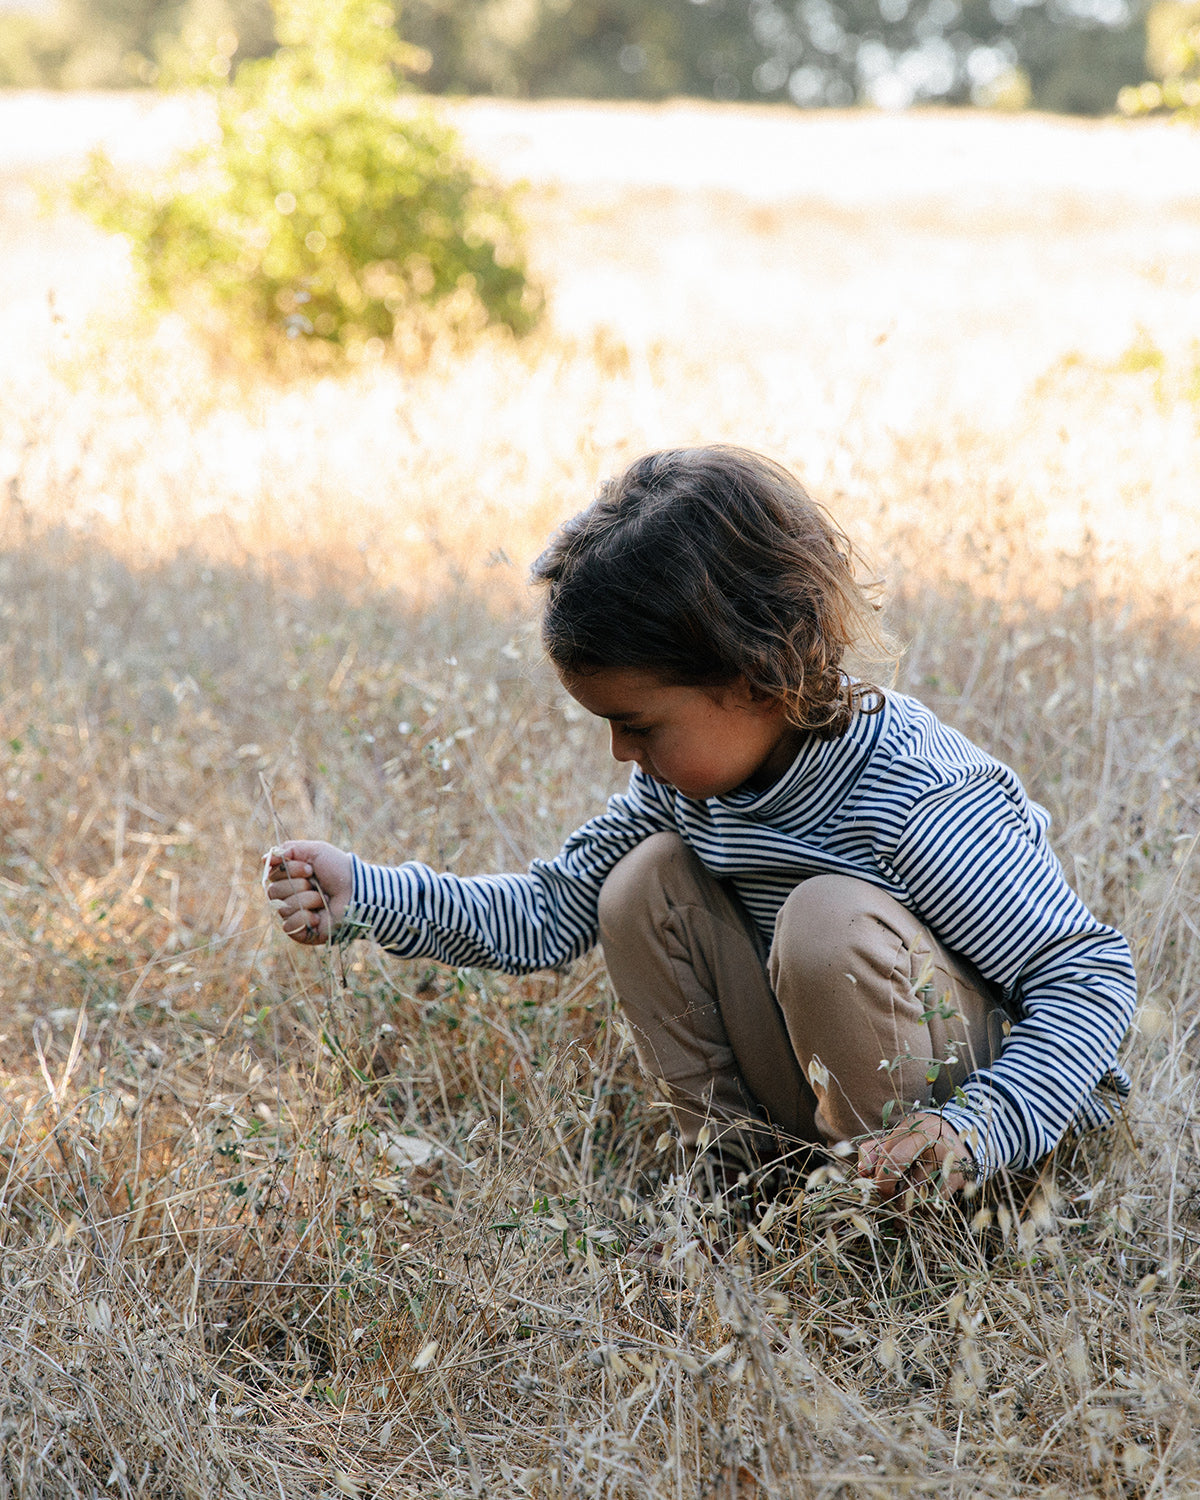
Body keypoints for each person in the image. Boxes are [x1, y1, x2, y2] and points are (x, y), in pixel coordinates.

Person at [264, 446, 1135, 1199]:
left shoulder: (912, 795)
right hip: (837, 1090)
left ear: (754, 675)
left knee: (824, 921)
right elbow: (548, 913)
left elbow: (1088, 979)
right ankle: (748, 1188)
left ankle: (906, 1216)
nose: (620, 751)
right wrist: (365, 895)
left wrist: (978, 1130)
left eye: (638, 724)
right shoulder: (684, 790)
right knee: (640, 885)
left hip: (983, 1136)